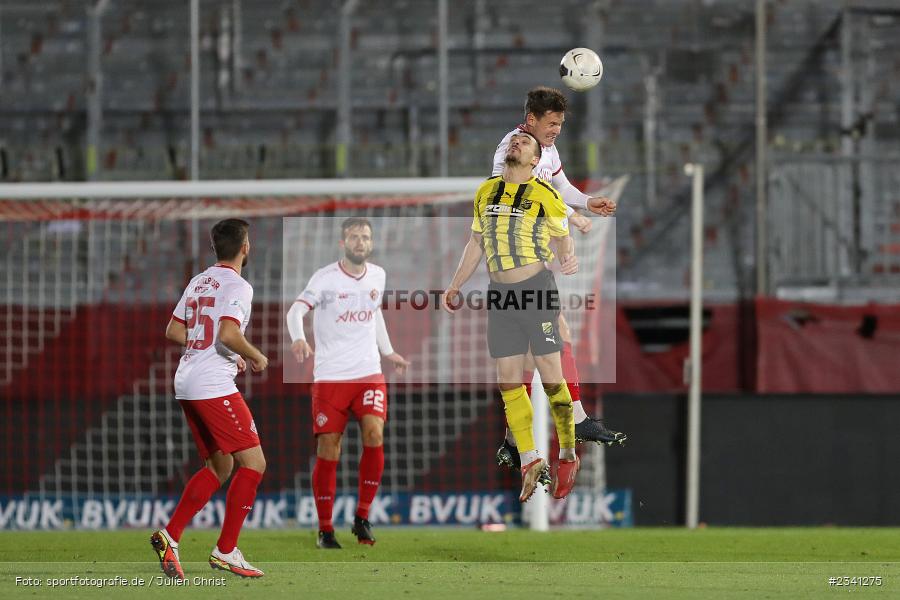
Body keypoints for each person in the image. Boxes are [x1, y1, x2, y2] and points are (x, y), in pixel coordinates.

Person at [491, 87, 626, 477]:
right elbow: (522, 192)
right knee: (551, 340)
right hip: (516, 259)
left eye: (560, 125)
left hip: (530, 258)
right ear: (531, 120)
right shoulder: (511, 151)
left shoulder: (544, 150)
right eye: (551, 124)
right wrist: (572, 218)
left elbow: (558, 186)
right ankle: (574, 420)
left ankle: (515, 440)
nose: (556, 131)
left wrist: (586, 202)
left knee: (538, 349)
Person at [442, 131, 579, 502]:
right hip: (500, 295)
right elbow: (476, 242)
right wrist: (454, 285)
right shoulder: (485, 192)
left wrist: (567, 253)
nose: (516, 143)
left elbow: (562, 236)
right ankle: (531, 459)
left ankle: (567, 450)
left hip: (535, 290)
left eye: (525, 143)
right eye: (515, 141)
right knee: (506, 381)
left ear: (536, 161)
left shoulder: (544, 194)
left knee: (551, 378)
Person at [151, 218, 269, 579]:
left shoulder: (198, 281)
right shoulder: (240, 286)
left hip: (186, 380)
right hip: (211, 385)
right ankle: (226, 550)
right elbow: (230, 333)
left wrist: (206, 349)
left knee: (220, 467)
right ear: (245, 247)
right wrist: (253, 354)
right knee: (254, 463)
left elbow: (173, 330)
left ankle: (170, 537)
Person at [286, 217, 409, 549]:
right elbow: (295, 312)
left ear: (371, 243)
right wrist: (298, 338)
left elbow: (375, 312)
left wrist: (389, 351)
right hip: (330, 378)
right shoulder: (325, 278)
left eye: (365, 237)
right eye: (354, 237)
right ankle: (325, 529)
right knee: (329, 448)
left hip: (369, 373)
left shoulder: (378, 275)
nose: (360, 242)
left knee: (374, 432)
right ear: (343, 243)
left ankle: (362, 517)